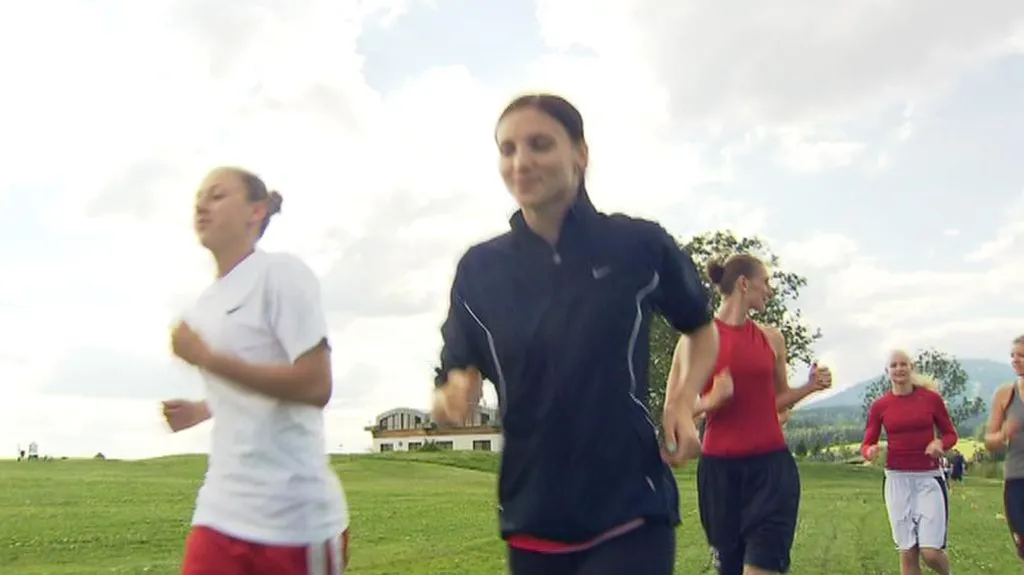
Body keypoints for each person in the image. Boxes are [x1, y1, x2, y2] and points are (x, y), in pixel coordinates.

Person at [431, 93, 720, 575]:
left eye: (539, 144)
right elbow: (451, 381)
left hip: (629, 508)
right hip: (531, 515)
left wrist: (682, 402)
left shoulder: (638, 246)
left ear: (580, 154)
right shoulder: (480, 271)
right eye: (508, 149)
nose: (521, 161)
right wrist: (450, 399)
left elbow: (700, 329)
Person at [163, 167, 349, 575]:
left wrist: (208, 360)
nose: (201, 205)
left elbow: (316, 383)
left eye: (216, 195)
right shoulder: (204, 305)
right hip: (221, 509)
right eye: (198, 196)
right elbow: (247, 380)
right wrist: (203, 408)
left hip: (294, 521)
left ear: (256, 211)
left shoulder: (280, 274)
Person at [669, 254, 832, 575]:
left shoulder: (772, 339)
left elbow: (777, 401)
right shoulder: (693, 342)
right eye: (766, 282)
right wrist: (710, 401)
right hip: (720, 478)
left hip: (771, 472)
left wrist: (810, 387)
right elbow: (673, 411)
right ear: (744, 284)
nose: (769, 290)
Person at [862, 349, 957, 575]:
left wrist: (940, 445)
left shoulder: (930, 399)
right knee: (907, 552)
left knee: (930, 552)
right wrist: (870, 451)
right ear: (888, 372)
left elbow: (951, 435)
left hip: (928, 479)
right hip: (897, 480)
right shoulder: (880, 406)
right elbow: (867, 443)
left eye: (903, 364)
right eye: (894, 365)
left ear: (911, 367)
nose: (899, 369)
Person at [983, 334, 1024, 563]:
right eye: (1012, 355)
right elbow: (990, 441)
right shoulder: (1005, 395)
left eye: (1021, 356)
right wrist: (1003, 434)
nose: (1015, 360)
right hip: (1017, 480)